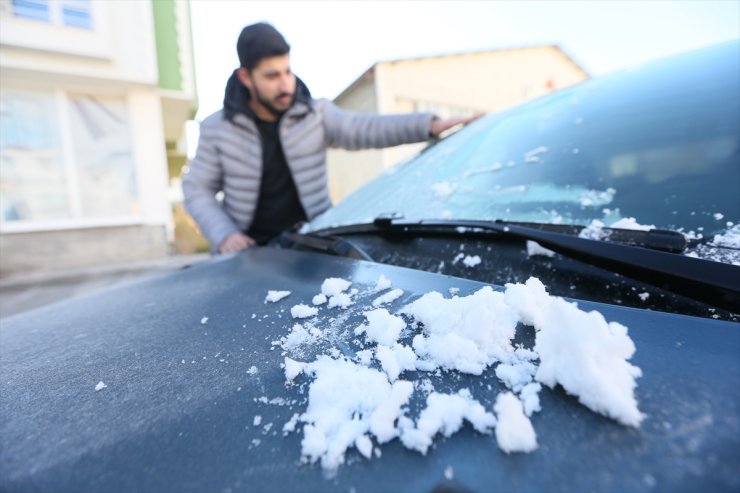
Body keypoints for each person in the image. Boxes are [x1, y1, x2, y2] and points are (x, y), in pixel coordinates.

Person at [183, 22, 479, 253]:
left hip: (311, 245)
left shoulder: (316, 113)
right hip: (249, 253)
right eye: (272, 76)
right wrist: (226, 235)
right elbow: (197, 189)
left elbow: (365, 128)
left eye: (288, 71)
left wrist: (430, 124)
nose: (286, 83)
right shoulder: (216, 128)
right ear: (246, 78)